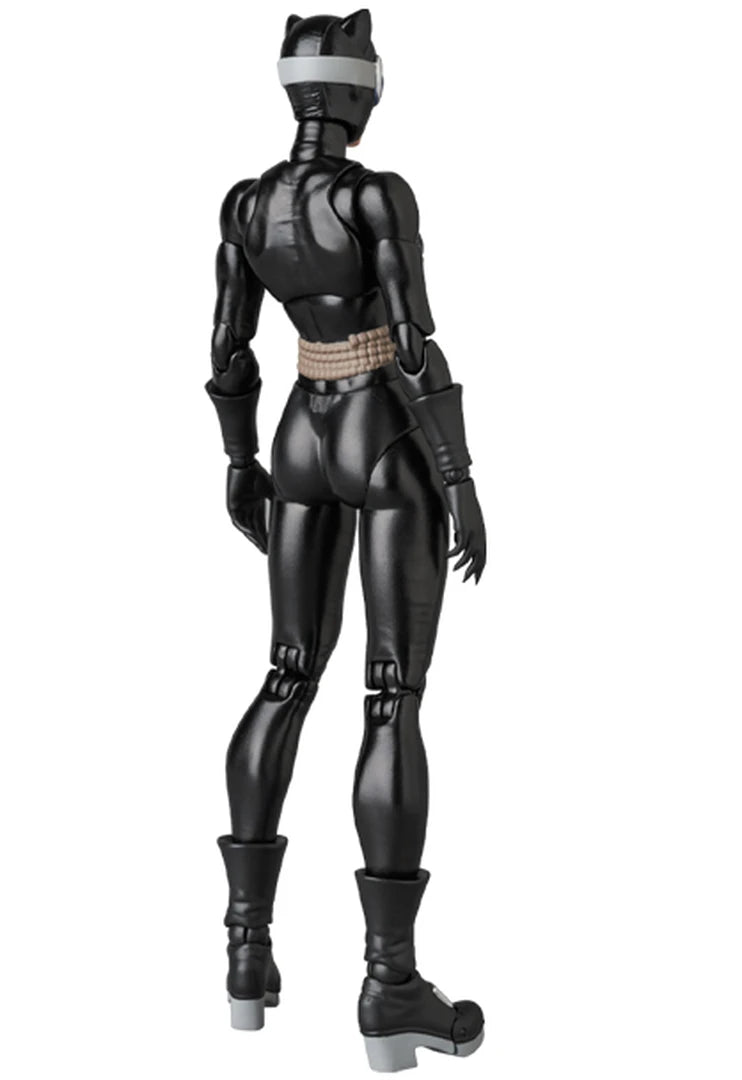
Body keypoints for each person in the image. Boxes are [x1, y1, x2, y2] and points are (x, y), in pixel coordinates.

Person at [206, 10, 487, 1071]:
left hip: (297, 430)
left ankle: (246, 955)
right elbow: (412, 340)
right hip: (381, 429)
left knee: (286, 674)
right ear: (361, 91)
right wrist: (459, 478)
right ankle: (390, 983)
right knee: (390, 694)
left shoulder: (246, 205)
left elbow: (228, 349)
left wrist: (241, 462)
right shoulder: (375, 196)